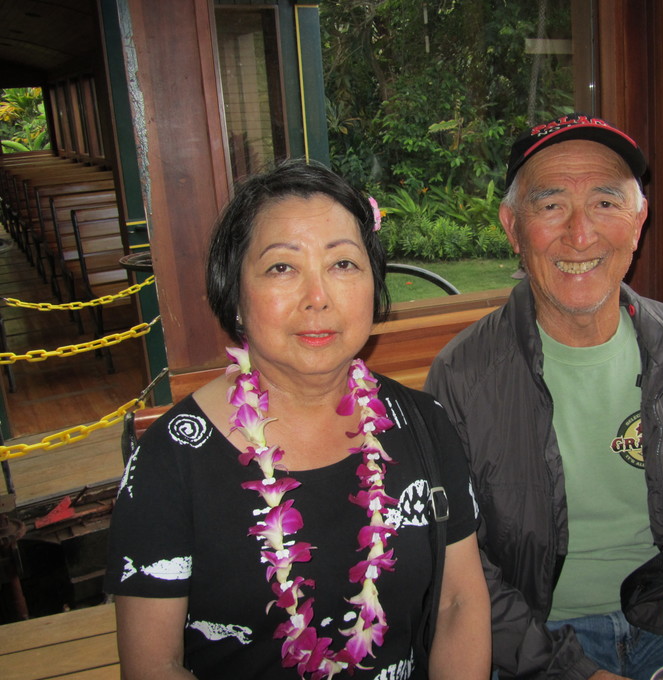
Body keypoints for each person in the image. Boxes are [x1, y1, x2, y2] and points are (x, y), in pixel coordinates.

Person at [105, 159, 490, 680]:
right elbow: (155, 666)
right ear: (235, 295)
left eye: (343, 265)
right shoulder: (171, 461)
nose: (318, 298)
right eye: (282, 267)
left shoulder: (424, 424)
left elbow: (458, 604)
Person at [424, 113, 663, 680]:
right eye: (552, 204)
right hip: (539, 643)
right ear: (513, 227)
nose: (581, 234)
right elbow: (461, 569)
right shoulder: (461, 377)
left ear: (638, 223)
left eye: (607, 203)